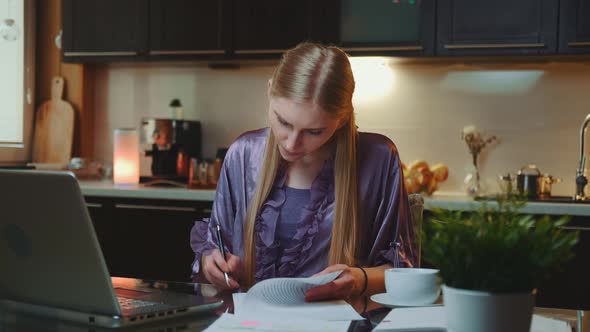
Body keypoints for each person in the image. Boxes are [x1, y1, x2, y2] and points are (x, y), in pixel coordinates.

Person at [190, 42, 416, 303]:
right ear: (269, 92)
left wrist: (359, 280)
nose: (291, 143)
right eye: (284, 122)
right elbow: (216, 246)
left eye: (314, 131)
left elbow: (403, 269)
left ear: (341, 119)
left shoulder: (379, 158)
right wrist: (212, 262)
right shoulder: (243, 154)